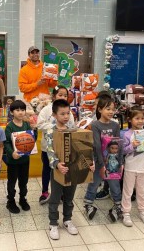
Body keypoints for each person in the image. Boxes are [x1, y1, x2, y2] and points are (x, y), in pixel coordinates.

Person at [45, 99, 94, 240]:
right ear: (54, 115)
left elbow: (82, 149)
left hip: (73, 170)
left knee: (69, 197)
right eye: (62, 114)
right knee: (55, 198)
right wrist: (56, 164)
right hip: (58, 171)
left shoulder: (73, 128)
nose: (66, 116)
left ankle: (67, 220)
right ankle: (53, 223)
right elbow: (49, 150)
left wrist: (89, 163)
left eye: (68, 113)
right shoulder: (50, 130)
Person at [83, 95, 122, 222]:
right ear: (99, 110)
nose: (111, 112)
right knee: (94, 183)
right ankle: (88, 204)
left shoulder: (116, 125)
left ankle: (117, 206)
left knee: (114, 185)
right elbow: (97, 145)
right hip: (100, 161)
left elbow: (118, 144)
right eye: (107, 109)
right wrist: (102, 163)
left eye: (113, 109)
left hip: (113, 162)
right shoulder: (95, 125)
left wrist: (120, 163)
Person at [36, 85, 75, 204]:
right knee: (47, 169)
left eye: (65, 95)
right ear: (54, 96)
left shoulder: (69, 112)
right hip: (47, 147)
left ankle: (61, 192)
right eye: (60, 94)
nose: (63, 97)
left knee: (62, 168)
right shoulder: (46, 109)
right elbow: (40, 124)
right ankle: (45, 191)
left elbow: (72, 127)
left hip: (64, 148)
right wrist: (55, 129)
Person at [122, 107, 144, 227]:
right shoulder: (127, 134)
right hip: (130, 167)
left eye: (142, 118)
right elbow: (123, 151)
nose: (140, 121)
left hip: (143, 167)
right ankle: (125, 212)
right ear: (130, 120)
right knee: (128, 191)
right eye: (137, 118)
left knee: (142, 191)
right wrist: (132, 145)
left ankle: (143, 211)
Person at [4, 100, 37, 213]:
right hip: (13, 161)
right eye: (17, 110)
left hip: (25, 160)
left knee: (24, 182)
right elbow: (6, 143)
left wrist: (34, 130)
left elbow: (33, 139)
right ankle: (11, 201)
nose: (20, 112)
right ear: (12, 112)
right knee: (12, 181)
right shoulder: (10, 127)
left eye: (22, 110)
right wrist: (12, 153)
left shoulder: (27, 124)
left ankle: (22, 199)